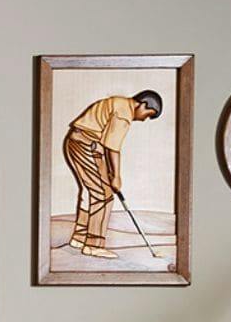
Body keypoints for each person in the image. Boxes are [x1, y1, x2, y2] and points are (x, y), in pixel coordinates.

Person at [63, 88, 162, 259]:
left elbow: (106, 143)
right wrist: (116, 176)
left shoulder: (119, 102)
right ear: (143, 104)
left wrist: (109, 170)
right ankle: (93, 244)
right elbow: (112, 147)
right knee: (104, 194)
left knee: (91, 191)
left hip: (80, 142)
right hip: (85, 144)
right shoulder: (124, 113)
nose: (145, 119)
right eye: (148, 114)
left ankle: (79, 237)